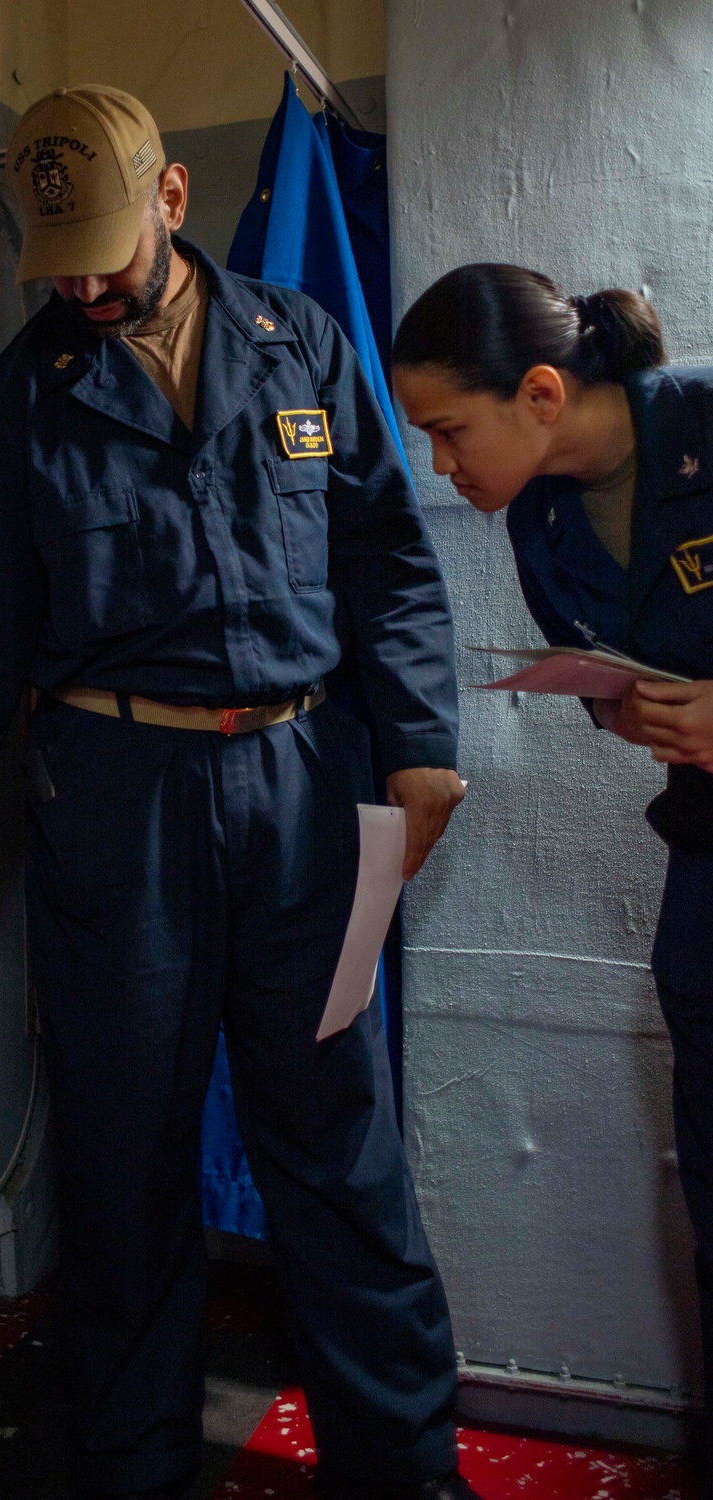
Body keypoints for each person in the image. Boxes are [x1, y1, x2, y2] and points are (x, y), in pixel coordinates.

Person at [0, 86, 476, 1500]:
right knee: (122, 1172)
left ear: (172, 200)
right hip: (118, 804)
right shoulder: (24, 405)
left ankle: (404, 1472)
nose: (85, 281)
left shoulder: (297, 343)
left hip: (306, 793)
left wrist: (418, 739)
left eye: (108, 245)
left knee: (341, 1153)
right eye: (59, 257)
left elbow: (389, 561)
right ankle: (135, 1472)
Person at [392, 262, 713, 1492]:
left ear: (537, 391)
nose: (439, 466)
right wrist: (636, 712)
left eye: (447, 431)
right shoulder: (538, 518)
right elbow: (614, 676)